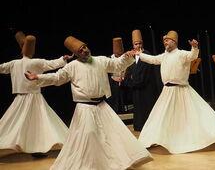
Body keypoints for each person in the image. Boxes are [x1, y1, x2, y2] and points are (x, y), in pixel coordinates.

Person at [25, 36, 152, 170]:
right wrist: (38, 77)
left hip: (102, 106)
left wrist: (126, 57)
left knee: (114, 133)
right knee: (89, 135)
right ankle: (91, 165)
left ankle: (113, 161)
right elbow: (57, 77)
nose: (85, 50)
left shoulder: (100, 60)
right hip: (84, 107)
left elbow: (116, 64)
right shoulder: (72, 66)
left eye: (85, 47)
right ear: (76, 54)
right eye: (80, 50)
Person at [136, 30, 215, 154]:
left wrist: (194, 47)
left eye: (167, 40)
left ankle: (191, 138)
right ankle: (155, 138)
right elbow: (153, 59)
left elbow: (192, 56)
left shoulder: (181, 54)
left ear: (174, 42)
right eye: (164, 40)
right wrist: (140, 54)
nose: (165, 42)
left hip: (181, 90)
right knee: (160, 115)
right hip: (167, 91)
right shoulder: (164, 56)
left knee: (189, 115)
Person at [0, 33, 71, 158]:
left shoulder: (13, 63)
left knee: (13, 122)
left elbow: (1, 68)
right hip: (34, 98)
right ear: (32, 52)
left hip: (21, 98)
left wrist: (61, 60)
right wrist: (63, 59)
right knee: (39, 123)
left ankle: (35, 148)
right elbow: (53, 64)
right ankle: (36, 148)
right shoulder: (37, 62)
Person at [123, 29, 161, 131]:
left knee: (147, 110)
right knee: (138, 111)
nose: (138, 46)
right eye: (136, 44)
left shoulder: (147, 55)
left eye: (139, 43)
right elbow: (127, 76)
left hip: (146, 90)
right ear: (133, 45)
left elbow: (143, 77)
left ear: (142, 44)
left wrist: (132, 79)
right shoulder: (131, 57)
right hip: (136, 91)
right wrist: (130, 79)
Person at [106, 37, 128, 114]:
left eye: (120, 54)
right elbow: (106, 73)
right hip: (113, 82)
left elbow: (127, 67)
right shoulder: (109, 59)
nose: (118, 56)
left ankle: (123, 110)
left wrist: (123, 76)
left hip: (123, 80)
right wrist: (113, 78)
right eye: (117, 54)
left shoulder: (125, 58)